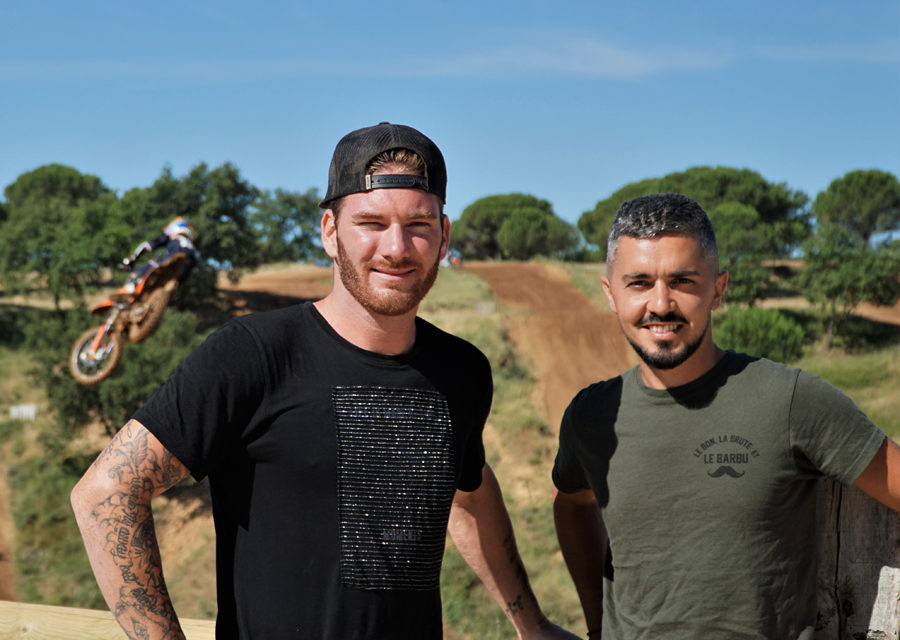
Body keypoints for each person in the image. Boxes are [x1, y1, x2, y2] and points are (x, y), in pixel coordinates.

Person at [71, 122, 579, 640]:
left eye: (419, 224)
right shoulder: (253, 354)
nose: (397, 247)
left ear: (444, 236)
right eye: (371, 222)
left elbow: (467, 496)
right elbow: (106, 492)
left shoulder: (463, 371)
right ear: (330, 232)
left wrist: (531, 623)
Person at [551, 192, 900, 639]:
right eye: (639, 282)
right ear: (610, 294)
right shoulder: (591, 415)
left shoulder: (791, 400)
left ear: (717, 290)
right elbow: (572, 502)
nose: (661, 303)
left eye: (683, 282)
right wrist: (598, 623)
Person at [119, 215, 198, 293]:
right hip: (185, 268)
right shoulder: (191, 245)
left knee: (148, 265)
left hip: (171, 260)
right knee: (172, 287)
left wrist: (133, 258)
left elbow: (147, 246)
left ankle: (130, 287)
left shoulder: (172, 237)